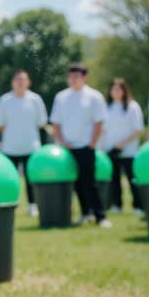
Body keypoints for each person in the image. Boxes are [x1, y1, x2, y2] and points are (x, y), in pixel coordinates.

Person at [50, 64, 111, 228]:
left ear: (85, 77)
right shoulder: (61, 97)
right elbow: (56, 122)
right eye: (71, 77)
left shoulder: (94, 97)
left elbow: (99, 122)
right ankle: (85, 213)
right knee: (76, 183)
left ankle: (100, 216)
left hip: (86, 146)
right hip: (67, 148)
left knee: (90, 182)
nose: (73, 80)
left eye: (77, 77)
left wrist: (92, 143)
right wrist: (62, 141)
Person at [0, 70, 48, 217]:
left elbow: (41, 122)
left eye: (23, 79)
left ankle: (32, 205)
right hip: (10, 148)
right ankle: (9, 203)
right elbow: (0, 124)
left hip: (31, 147)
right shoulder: (5, 100)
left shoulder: (35, 100)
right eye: (17, 79)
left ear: (28, 82)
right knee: (9, 178)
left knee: (31, 179)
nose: (20, 82)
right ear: (12, 82)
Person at [101, 77, 144, 215]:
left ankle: (138, 206)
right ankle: (117, 205)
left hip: (129, 150)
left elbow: (138, 129)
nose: (116, 91)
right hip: (110, 150)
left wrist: (122, 144)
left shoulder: (132, 107)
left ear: (125, 90)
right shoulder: (106, 107)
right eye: (114, 88)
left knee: (132, 179)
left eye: (119, 88)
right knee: (114, 180)